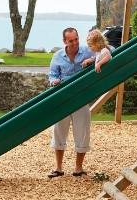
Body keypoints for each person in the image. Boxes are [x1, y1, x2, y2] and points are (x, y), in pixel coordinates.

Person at [47, 27, 95, 178]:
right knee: (59, 131)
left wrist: (93, 59)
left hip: (81, 99)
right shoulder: (58, 56)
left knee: (82, 133)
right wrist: (54, 81)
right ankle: (58, 168)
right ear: (64, 42)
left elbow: (108, 51)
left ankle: (78, 168)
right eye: (71, 41)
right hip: (63, 100)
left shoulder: (87, 51)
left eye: (76, 39)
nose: (74, 43)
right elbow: (53, 75)